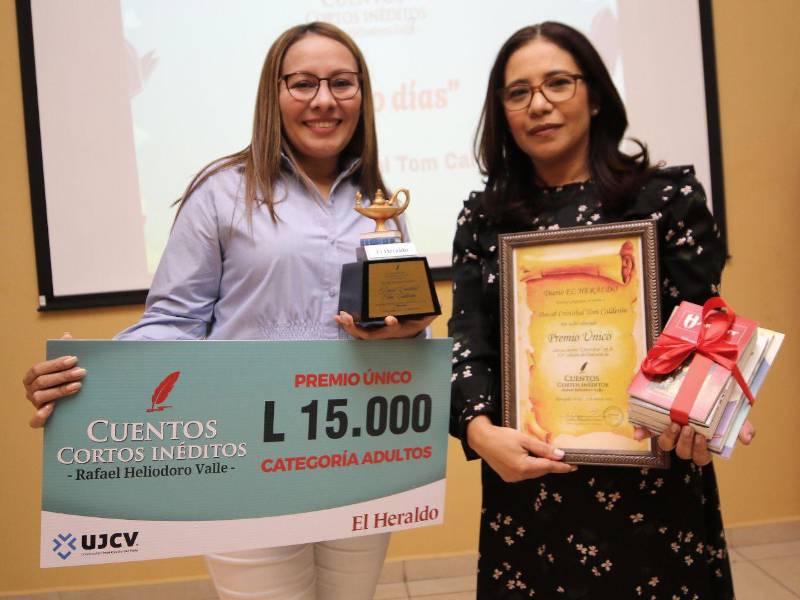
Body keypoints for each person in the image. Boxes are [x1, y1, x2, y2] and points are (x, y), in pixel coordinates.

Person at [23, 22, 431, 600]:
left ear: (361, 95)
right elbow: (173, 321)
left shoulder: (380, 204)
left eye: (342, 83)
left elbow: (405, 327)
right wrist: (92, 374)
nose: (324, 100)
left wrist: (409, 336)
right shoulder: (220, 192)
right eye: (303, 83)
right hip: (245, 459)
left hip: (353, 454)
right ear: (274, 93)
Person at [449, 21, 753, 599]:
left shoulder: (666, 200)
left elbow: (703, 326)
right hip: (530, 487)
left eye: (558, 83)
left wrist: (709, 407)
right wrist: (479, 431)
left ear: (594, 95)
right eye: (518, 93)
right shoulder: (485, 218)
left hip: (653, 491)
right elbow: (469, 338)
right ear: (503, 111)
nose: (539, 105)